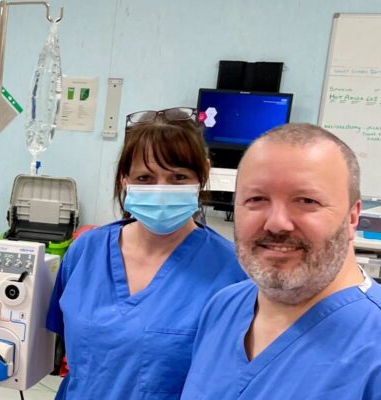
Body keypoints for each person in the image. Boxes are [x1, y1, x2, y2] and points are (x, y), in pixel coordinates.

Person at [181, 123, 381, 399]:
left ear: (352, 217)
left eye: (306, 200)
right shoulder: (224, 308)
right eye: (256, 199)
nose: (277, 223)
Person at [45, 107, 248, 399]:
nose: (161, 189)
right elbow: (73, 346)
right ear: (124, 180)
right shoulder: (86, 252)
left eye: (178, 177)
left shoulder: (231, 271)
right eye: (144, 178)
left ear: (202, 174)